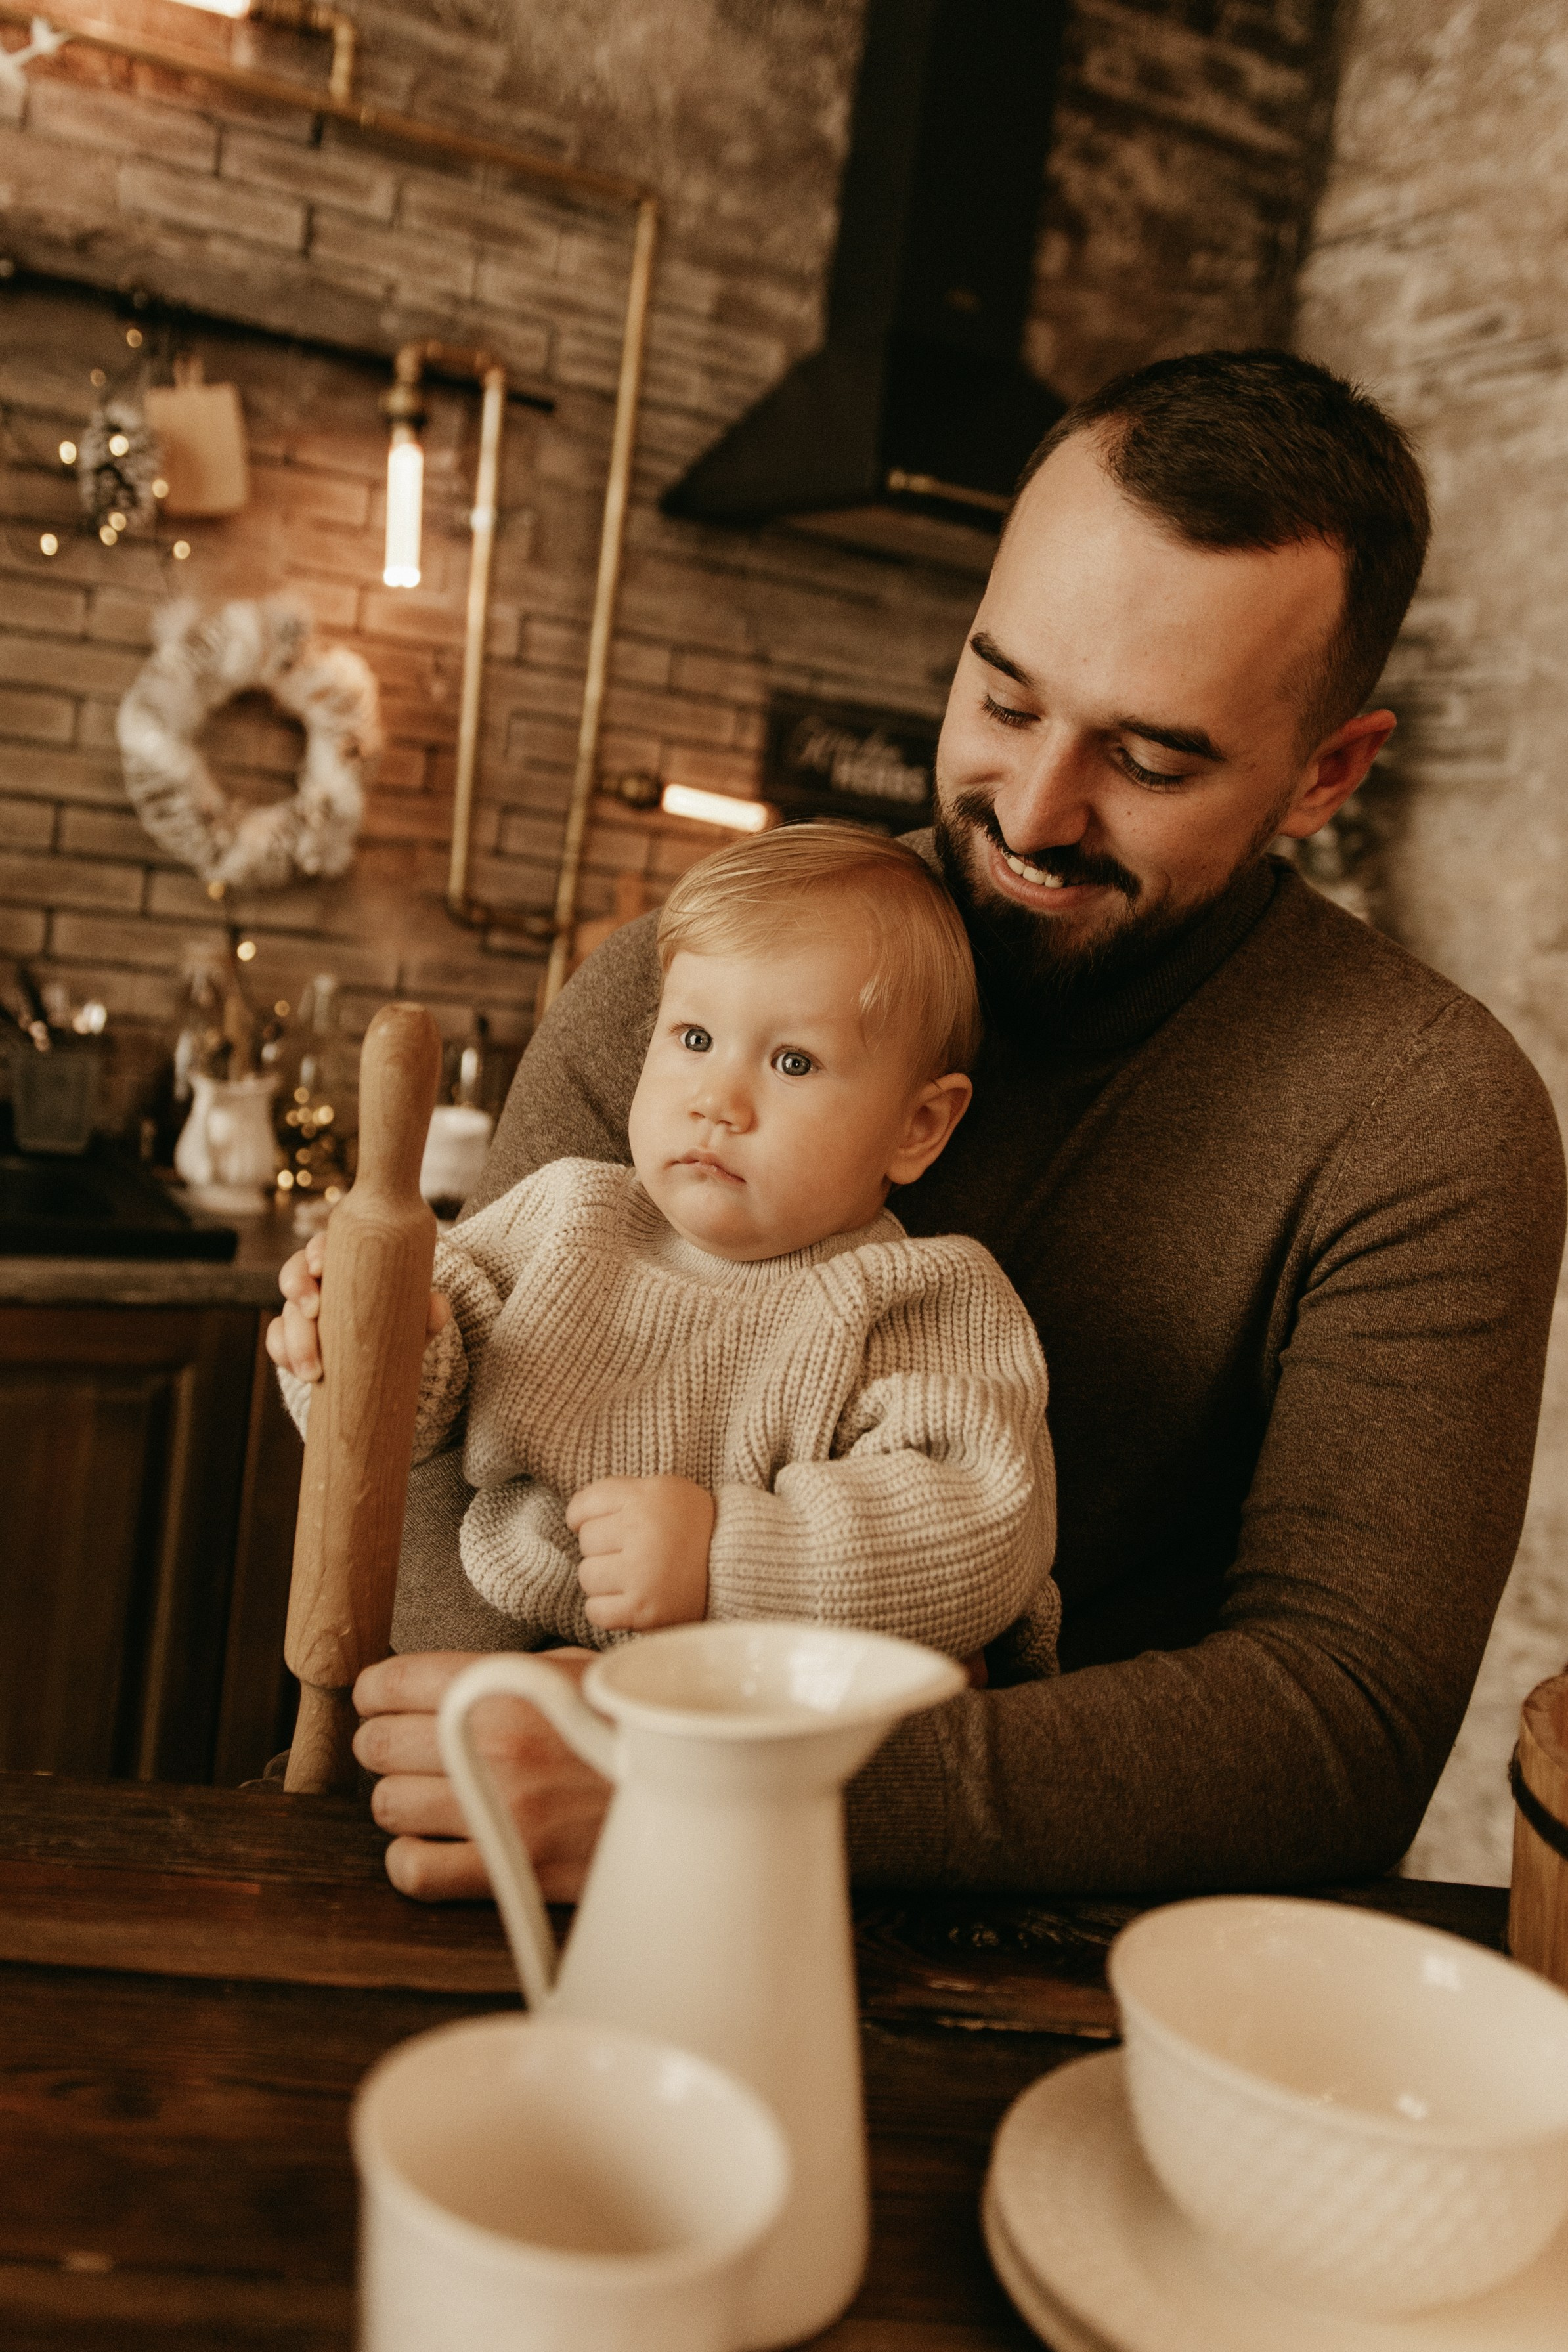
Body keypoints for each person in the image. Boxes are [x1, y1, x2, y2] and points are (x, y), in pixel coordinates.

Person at [347, 347, 1566, 1905]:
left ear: (1327, 772)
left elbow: (1336, 1729)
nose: (1037, 809)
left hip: (1074, 1976)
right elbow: (449, 1500)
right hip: (503, 1880)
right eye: (1002, 697)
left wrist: (722, 1782)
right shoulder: (695, 988)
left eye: (1150, 758)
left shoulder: (1427, 1119)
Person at [269, 826, 1059, 1678]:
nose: (717, 1099)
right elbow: (398, 1409)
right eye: (692, 1037)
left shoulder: (917, 1298)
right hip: (488, 1683)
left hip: (758, 1730)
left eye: (793, 1060)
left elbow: (985, 1524)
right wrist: (357, 1334)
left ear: (918, 1126)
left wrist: (724, 1556)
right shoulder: (566, 1214)